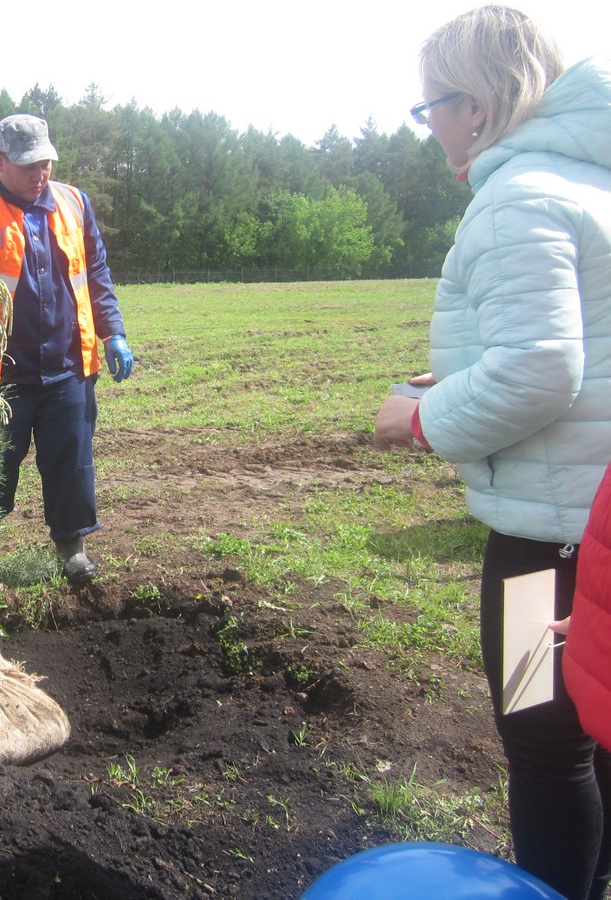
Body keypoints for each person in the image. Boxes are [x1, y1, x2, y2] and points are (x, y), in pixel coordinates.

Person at [373, 8, 611, 897]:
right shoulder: (592, 183)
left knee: (546, 748)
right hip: (600, 512)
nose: (429, 124)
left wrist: (420, 421)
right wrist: (464, 377)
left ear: (474, 107)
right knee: (603, 728)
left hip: (545, 537)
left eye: (430, 105)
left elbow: (542, 370)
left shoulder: (519, 197)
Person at [0, 114, 133, 583]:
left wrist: (114, 333)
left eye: (44, 163)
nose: (38, 174)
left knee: (71, 462)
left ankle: (73, 550)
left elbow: (97, 276)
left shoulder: (75, 203)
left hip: (68, 366)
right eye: (27, 165)